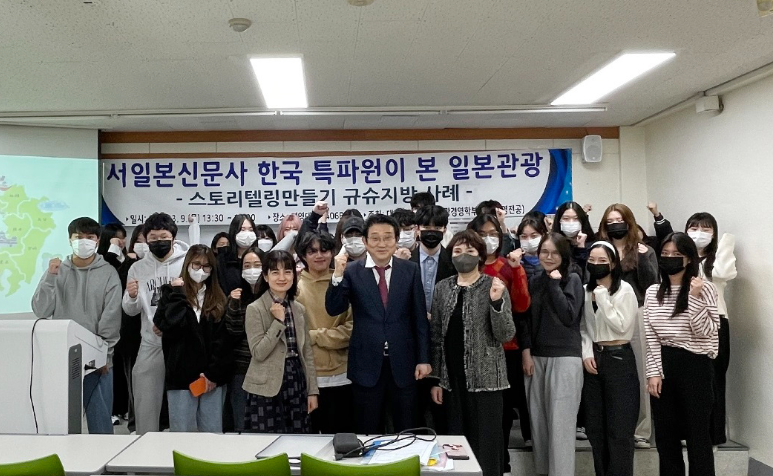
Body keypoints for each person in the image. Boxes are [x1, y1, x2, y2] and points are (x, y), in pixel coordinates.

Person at [326, 214, 431, 433]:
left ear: (396, 240)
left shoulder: (410, 270)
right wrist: (337, 275)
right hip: (366, 363)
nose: (381, 244)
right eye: (375, 238)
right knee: (368, 429)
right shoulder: (352, 271)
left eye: (387, 237)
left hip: (404, 363)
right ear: (365, 241)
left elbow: (420, 319)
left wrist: (423, 359)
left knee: (407, 429)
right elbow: (334, 308)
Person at [430, 230, 515, 476]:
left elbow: (506, 334)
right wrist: (436, 379)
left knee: (486, 446)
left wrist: (497, 303)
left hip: (487, 382)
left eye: (469, 251)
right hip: (451, 382)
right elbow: (436, 336)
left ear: (480, 255)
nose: (463, 256)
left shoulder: (494, 285)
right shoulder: (442, 288)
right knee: (455, 447)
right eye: (457, 251)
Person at [32, 217, 122, 434]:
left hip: (97, 361)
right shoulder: (57, 270)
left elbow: (111, 318)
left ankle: (103, 457)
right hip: (62, 357)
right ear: (69, 240)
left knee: (100, 422)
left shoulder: (108, 273)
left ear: (98, 241)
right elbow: (41, 310)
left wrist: (103, 355)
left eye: (89, 237)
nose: (84, 241)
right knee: (60, 421)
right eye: (78, 237)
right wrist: (50, 277)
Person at [644, 232, 719, 476]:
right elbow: (651, 337)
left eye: (676, 254)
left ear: (688, 258)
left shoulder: (704, 288)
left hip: (696, 364)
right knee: (665, 435)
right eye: (665, 254)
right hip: (664, 363)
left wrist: (694, 298)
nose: (670, 258)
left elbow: (706, 332)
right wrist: (653, 372)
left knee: (698, 434)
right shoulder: (653, 292)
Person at [468, 213, 531, 463]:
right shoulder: (465, 264)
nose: (488, 239)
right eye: (482, 234)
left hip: (505, 347)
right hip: (472, 347)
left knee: (502, 408)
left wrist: (516, 271)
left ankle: (500, 458)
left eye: (493, 234)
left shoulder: (508, 265)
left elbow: (522, 305)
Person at [596, 203, 659, 449]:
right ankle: (614, 427)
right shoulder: (601, 250)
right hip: (605, 313)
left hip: (637, 314)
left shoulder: (644, 250)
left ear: (629, 222)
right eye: (610, 221)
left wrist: (642, 258)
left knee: (641, 372)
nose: (615, 225)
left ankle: (641, 430)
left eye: (619, 220)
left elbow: (652, 285)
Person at [521, 232, 584, 476]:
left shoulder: (572, 278)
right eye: (544, 252)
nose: (548, 257)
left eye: (554, 253)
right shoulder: (534, 280)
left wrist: (555, 284)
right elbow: (525, 319)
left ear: (563, 255)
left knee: (561, 426)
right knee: (539, 424)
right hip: (537, 358)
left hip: (565, 357)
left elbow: (569, 315)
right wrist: (526, 352)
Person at [122, 212, 190, 434]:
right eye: (153, 238)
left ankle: (186, 448)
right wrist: (132, 296)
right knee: (145, 402)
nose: (158, 242)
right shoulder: (137, 268)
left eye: (163, 237)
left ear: (173, 237)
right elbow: (131, 310)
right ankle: (145, 444)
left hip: (182, 343)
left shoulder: (186, 262)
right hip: (151, 342)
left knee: (184, 403)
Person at [153, 245, 231, 432]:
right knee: (182, 433)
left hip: (211, 378)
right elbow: (168, 326)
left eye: (206, 266)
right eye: (196, 264)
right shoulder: (170, 292)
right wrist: (178, 294)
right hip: (180, 376)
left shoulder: (219, 298)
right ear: (187, 264)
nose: (201, 270)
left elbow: (223, 340)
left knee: (212, 432)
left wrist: (213, 374)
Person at [580, 242, 640, 476]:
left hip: (619, 358)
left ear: (613, 263)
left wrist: (603, 299)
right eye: (592, 260)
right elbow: (584, 327)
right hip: (595, 359)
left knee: (620, 430)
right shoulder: (586, 290)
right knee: (596, 429)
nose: (596, 264)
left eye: (602, 261)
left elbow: (622, 326)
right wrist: (587, 352)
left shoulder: (624, 290)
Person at [243, 250, 319, 433]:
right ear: (266, 276)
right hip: (265, 384)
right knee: (266, 439)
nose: (282, 277)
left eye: (287, 271)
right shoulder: (255, 309)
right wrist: (278, 322)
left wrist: (312, 391)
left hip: (296, 377)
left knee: (299, 437)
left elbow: (307, 352)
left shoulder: (299, 309)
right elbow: (258, 352)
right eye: (275, 272)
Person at [296, 231, 354, 434]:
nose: (319, 255)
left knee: (341, 438)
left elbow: (351, 329)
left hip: (343, 375)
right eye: (312, 251)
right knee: (308, 440)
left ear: (332, 253)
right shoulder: (294, 287)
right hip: (307, 376)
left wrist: (315, 336)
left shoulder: (345, 283)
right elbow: (294, 332)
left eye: (324, 250)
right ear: (303, 255)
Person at [411, 205, 456, 431]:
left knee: (443, 415)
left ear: (445, 229)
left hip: (445, 344)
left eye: (437, 227)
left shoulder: (454, 262)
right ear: (417, 229)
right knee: (413, 413)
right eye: (426, 226)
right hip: (411, 343)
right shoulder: (403, 263)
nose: (431, 231)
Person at [223, 246, 265, 432]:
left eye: (257, 265)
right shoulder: (236, 295)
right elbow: (232, 330)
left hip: (267, 368)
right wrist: (233, 303)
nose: (252, 270)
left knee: (265, 422)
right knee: (241, 422)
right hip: (241, 368)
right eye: (247, 266)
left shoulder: (272, 296)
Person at [552, 201, 596, 272]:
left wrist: (581, 248)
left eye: (576, 218)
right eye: (566, 218)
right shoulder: (553, 244)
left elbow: (584, 272)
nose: (571, 222)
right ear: (559, 220)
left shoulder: (593, 245)